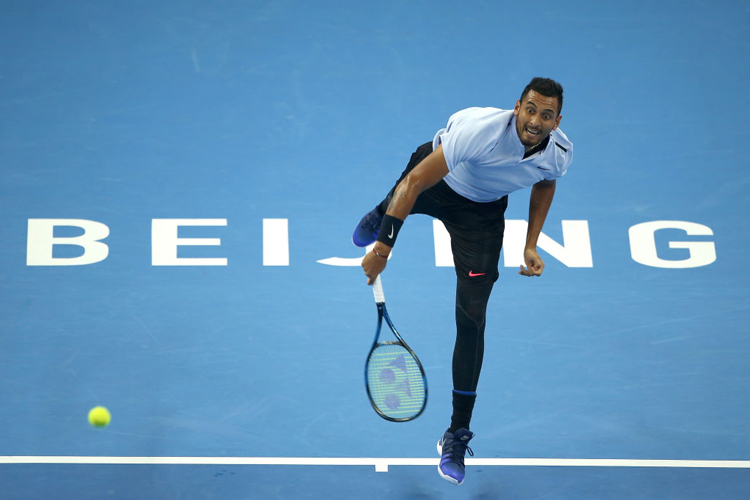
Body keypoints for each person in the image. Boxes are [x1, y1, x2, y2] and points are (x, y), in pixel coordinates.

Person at [352, 77, 573, 485]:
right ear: (517, 107)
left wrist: (530, 243)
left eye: (546, 115)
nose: (536, 120)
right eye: (530, 109)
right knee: (401, 198)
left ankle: (456, 433)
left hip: (481, 215)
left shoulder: (558, 152)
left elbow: (545, 181)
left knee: (472, 316)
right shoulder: (482, 133)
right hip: (437, 181)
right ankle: (382, 212)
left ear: (557, 120)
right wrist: (383, 250)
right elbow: (417, 181)